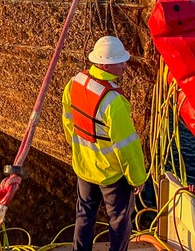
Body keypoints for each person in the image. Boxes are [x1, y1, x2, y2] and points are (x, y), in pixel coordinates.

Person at [62, 36, 147, 251]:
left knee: (84, 215)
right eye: (120, 61)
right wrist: (138, 178)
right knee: (118, 221)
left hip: (83, 167)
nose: (125, 65)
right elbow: (127, 146)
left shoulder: (74, 83)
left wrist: (79, 152)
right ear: (106, 65)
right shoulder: (114, 101)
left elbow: (68, 122)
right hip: (111, 174)